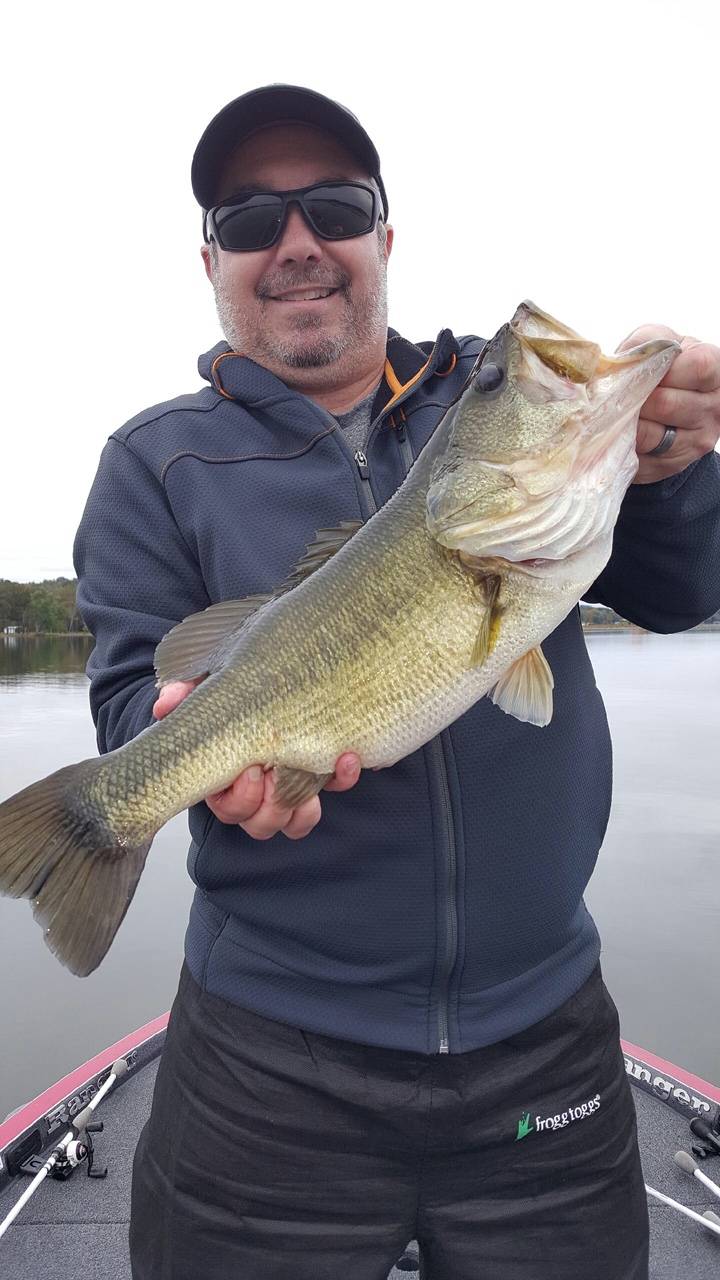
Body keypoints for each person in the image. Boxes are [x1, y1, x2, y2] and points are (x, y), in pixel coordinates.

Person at [72, 84, 720, 1280]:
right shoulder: (153, 461)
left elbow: (686, 589)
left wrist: (673, 461)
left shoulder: (492, 399)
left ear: (384, 234)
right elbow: (133, 696)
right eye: (254, 217)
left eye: (333, 205)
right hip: (266, 1066)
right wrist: (187, 764)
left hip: (543, 1044)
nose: (299, 240)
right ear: (211, 257)